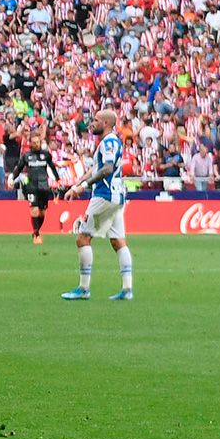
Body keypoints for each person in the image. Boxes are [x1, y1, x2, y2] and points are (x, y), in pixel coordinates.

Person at [61, 109, 134, 301]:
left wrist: (83, 186)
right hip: (117, 197)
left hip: (104, 195)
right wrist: (76, 186)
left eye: (95, 120)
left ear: (106, 124)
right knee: (118, 241)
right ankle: (127, 289)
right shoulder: (107, 143)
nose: (92, 124)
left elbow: (107, 169)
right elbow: (95, 169)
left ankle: (84, 289)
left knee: (83, 239)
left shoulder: (109, 142)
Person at [11, 133, 62, 244]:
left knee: (42, 212)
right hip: (32, 187)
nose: (36, 144)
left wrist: (58, 179)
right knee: (34, 210)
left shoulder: (46, 155)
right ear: (30, 144)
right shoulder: (26, 156)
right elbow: (19, 168)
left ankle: (36, 231)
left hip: (44, 186)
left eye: (38, 142)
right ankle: (37, 234)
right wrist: (12, 178)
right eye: (34, 142)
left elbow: (52, 167)